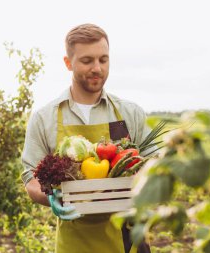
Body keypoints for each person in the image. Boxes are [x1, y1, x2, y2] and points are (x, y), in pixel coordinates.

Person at [21, 23, 152, 253]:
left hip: (127, 239)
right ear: (68, 63)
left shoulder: (130, 113)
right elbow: (31, 179)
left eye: (103, 59)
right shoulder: (44, 118)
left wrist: (142, 185)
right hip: (75, 242)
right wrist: (51, 197)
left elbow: (154, 165)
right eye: (87, 60)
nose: (97, 68)